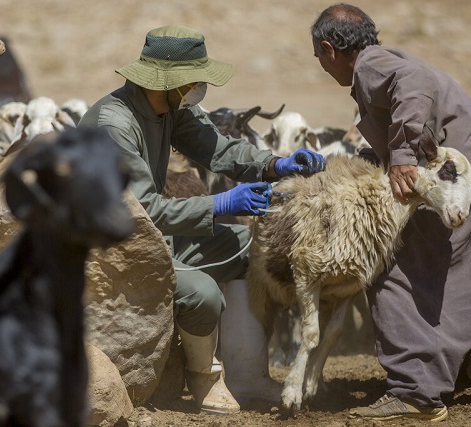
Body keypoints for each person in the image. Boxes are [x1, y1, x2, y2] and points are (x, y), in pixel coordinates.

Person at [78, 24, 325, 414]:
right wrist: (221, 203)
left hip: (145, 237)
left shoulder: (168, 108)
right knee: (201, 292)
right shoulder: (115, 126)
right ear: (169, 82)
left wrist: (275, 164)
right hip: (108, 255)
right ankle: (203, 379)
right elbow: (146, 212)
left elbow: (219, 149)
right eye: (193, 80)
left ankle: (246, 376)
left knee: (247, 246)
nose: (198, 88)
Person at [310, 3, 471, 422]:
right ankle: (446, 377)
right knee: (459, 286)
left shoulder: (373, 65)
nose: (321, 66)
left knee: (388, 267)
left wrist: (404, 154)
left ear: (329, 48)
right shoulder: (388, 62)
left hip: (460, 186)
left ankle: (415, 392)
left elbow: (414, 84)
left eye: (319, 58)